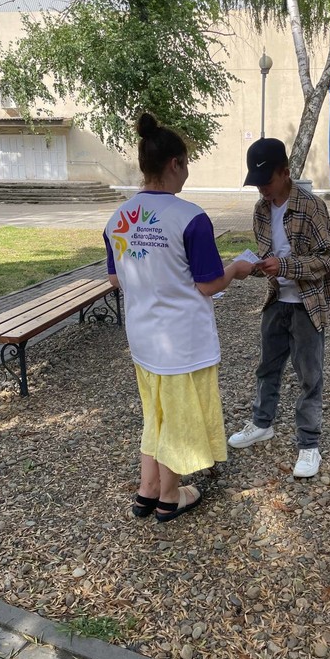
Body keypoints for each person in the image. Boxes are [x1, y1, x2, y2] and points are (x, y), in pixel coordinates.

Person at [104, 113, 254, 522]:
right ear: (175, 164)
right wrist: (238, 269)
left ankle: (147, 490)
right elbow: (209, 284)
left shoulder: (118, 218)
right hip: (183, 341)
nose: (187, 173)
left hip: (143, 337)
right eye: (186, 164)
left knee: (154, 413)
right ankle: (170, 497)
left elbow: (116, 279)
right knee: (177, 417)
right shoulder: (191, 218)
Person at [228, 137, 330, 478]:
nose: (262, 189)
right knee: (267, 368)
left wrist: (285, 266)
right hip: (276, 301)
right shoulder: (261, 209)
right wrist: (251, 266)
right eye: (256, 183)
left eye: (267, 181)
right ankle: (262, 424)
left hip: (307, 304)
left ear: (286, 172)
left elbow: (327, 260)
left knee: (309, 376)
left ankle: (309, 444)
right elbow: (267, 256)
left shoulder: (312, 206)